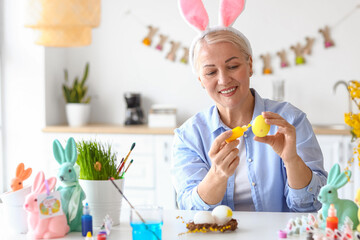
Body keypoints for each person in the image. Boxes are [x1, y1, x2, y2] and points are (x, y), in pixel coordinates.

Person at [171, 0, 327, 212]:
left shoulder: (291, 121)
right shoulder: (189, 136)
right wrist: (217, 175)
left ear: (250, 65)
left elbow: (312, 204)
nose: (224, 79)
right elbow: (190, 211)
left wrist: (291, 160)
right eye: (210, 72)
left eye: (233, 66)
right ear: (200, 79)